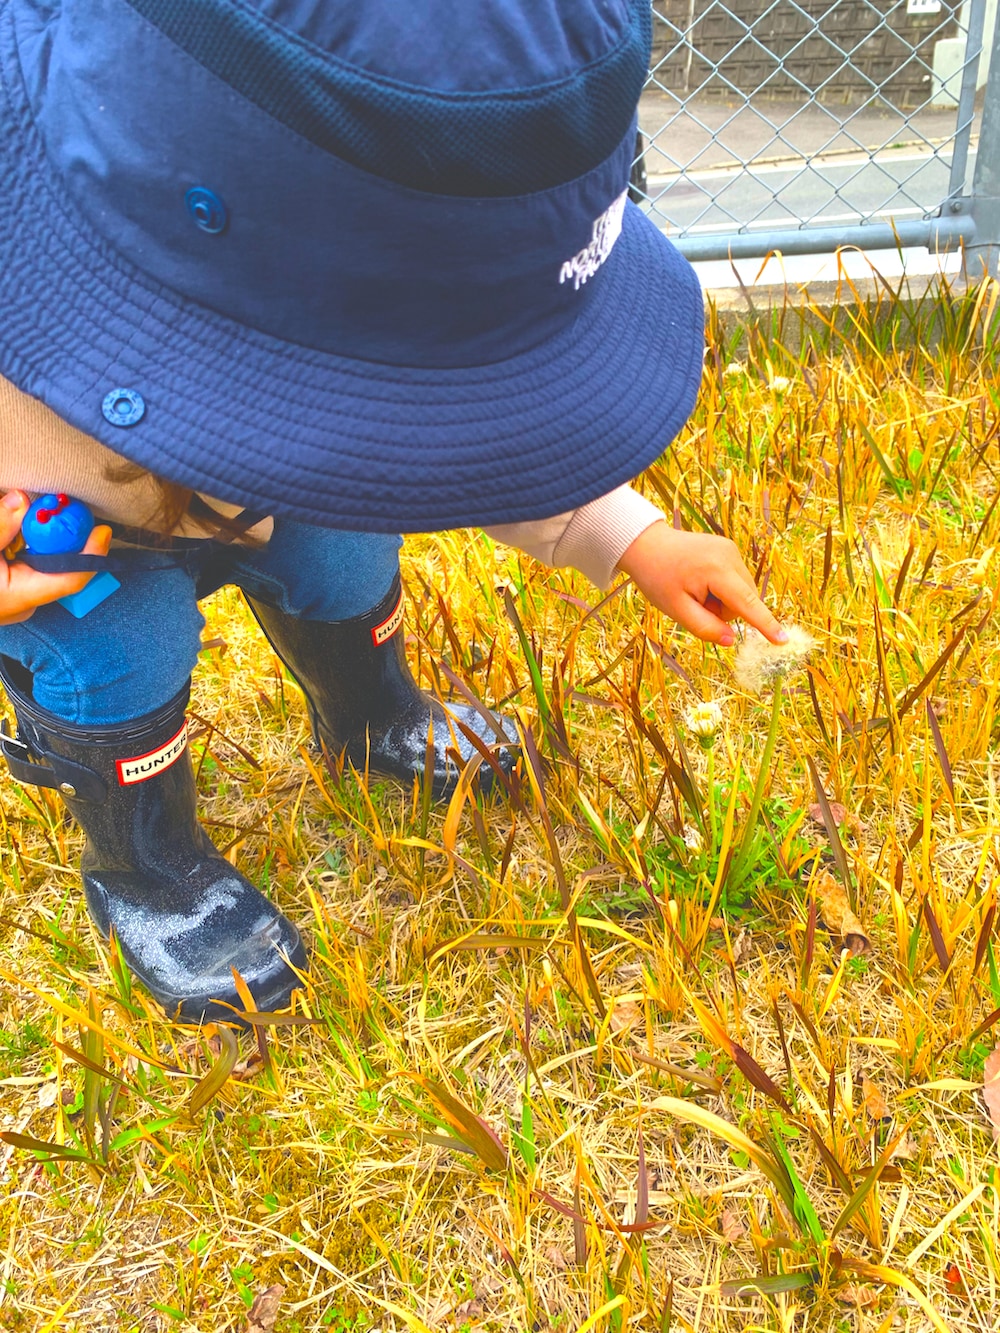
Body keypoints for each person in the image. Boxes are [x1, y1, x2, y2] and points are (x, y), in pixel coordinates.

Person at [0, 0, 786, 1024]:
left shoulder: (370, 312)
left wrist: (631, 536)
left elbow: (478, 422)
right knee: (124, 647)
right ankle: (148, 872)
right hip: (70, 535)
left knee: (343, 552)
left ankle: (371, 719)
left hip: (288, 482)